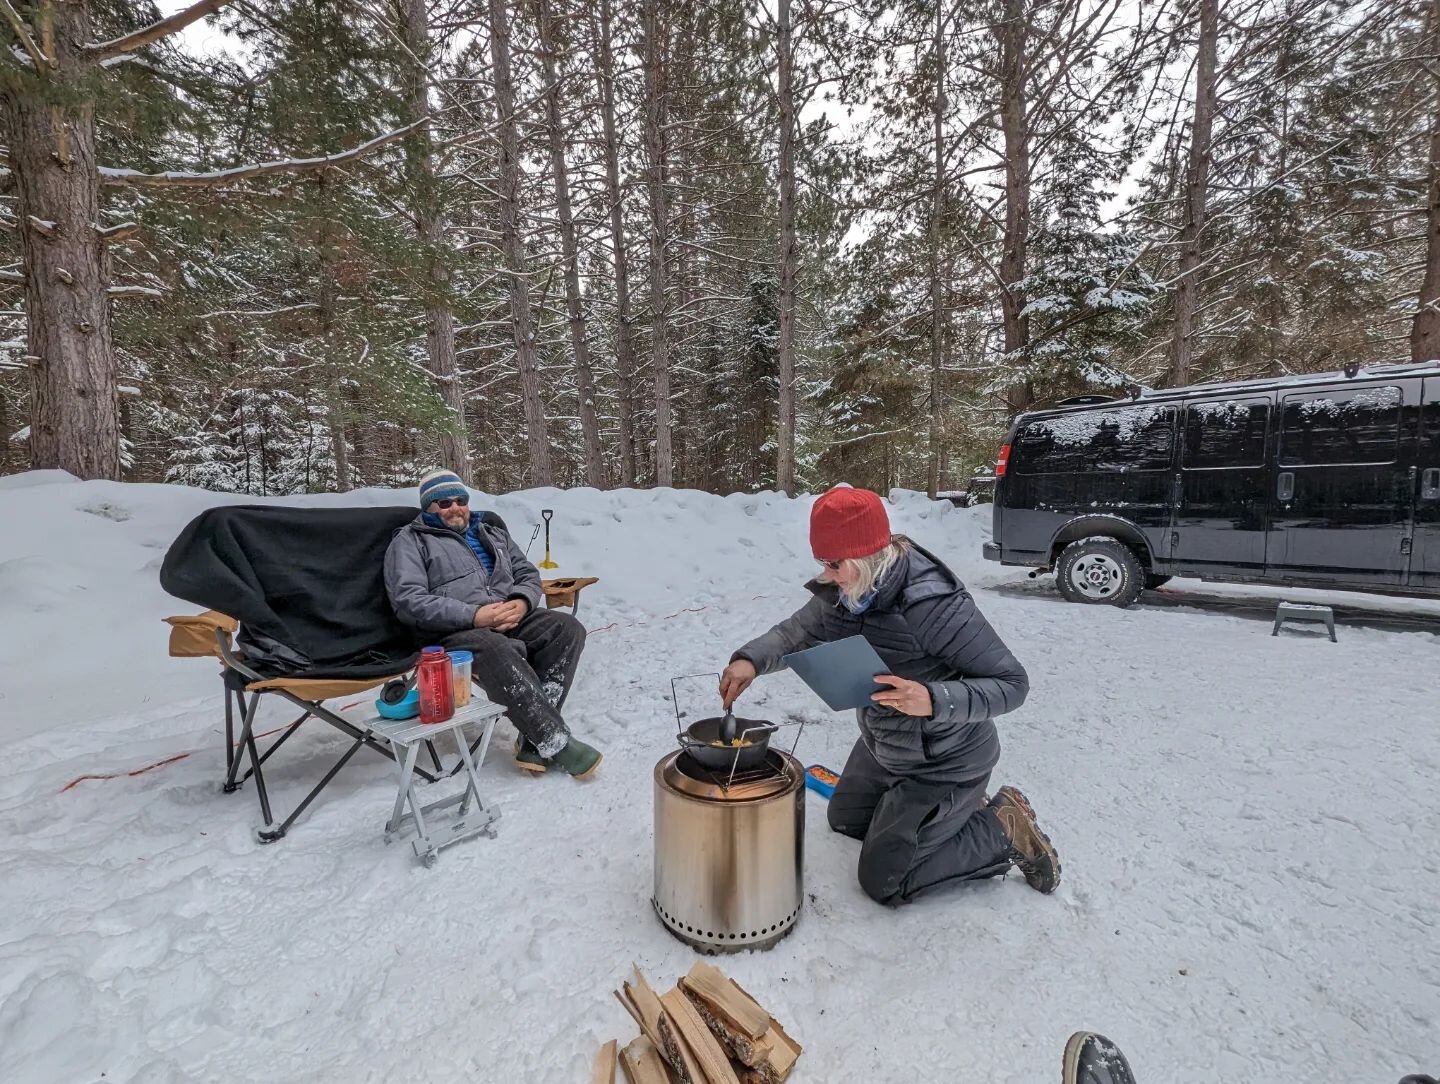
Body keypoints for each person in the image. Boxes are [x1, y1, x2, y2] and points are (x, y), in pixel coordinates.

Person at [719, 485, 1058, 905]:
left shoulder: (932, 604)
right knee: (845, 821)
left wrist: (933, 699)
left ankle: (1002, 826)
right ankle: (942, 818)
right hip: (887, 744)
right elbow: (797, 632)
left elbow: (1012, 684)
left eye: (834, 563)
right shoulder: (847, 590)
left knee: (885, 880)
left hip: (945, 759)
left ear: (865, 557)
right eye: (822, 562)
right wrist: (749, 661)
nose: (827, 573)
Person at [383, 470, 602, 778]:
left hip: (506, 616)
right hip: (452, 631)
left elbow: (527, 574)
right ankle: (554, 740)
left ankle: (533, 735)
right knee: (495, 648)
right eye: (444, 503)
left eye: (461, 500)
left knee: (566, 629)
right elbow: (408, 600)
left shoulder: (490, 531)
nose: (455, 508)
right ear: (428, 508)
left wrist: (522, 602)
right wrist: (473, 615)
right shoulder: (410, 542)